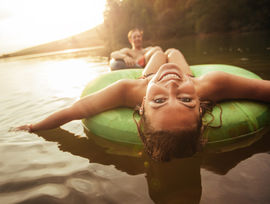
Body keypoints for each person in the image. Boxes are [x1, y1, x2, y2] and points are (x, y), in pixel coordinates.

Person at [14, 48, 270, 161]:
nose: (171, 88)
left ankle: (151, 55)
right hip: (187, 76)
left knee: (161, 55)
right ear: (201, 105)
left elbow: (74, 111)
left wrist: (34, 126)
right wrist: (183, 83)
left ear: (142, 106)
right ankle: (152, 53)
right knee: (170, 53)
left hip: (148, 78)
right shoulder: (212, 85)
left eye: (159, 101)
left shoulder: (128, 90)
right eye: (186, 100)